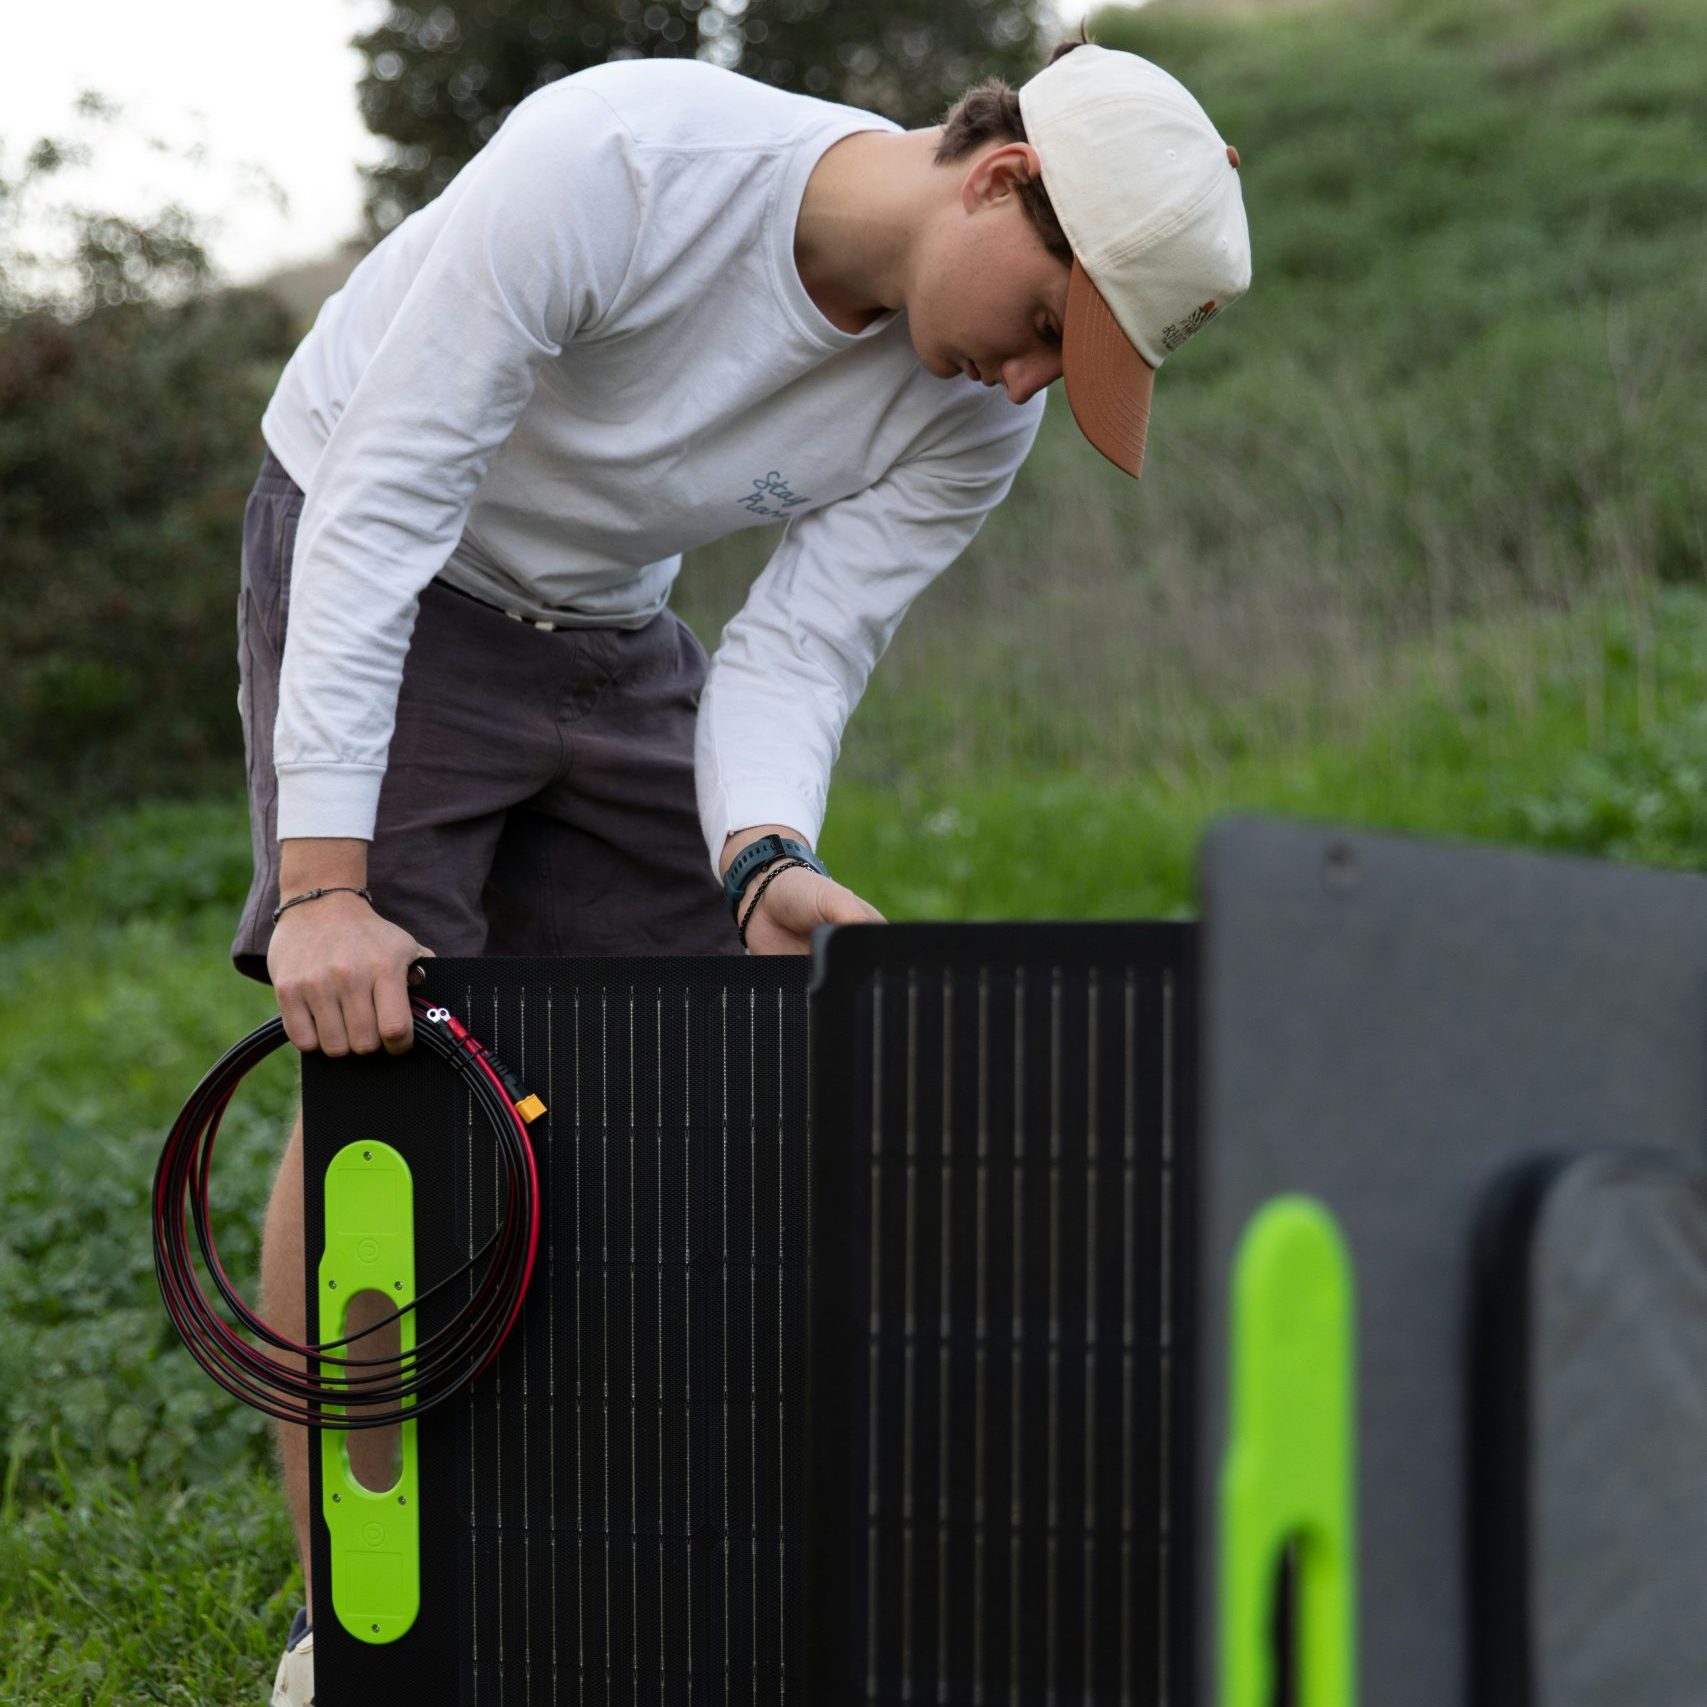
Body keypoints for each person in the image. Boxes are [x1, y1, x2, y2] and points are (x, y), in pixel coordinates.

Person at [243, 32, 1250, 1705]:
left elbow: (799, 646)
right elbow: (386, 494)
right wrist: (330, 885)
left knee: (693, 1052)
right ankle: (348, 1634)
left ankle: (601, 1554)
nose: (1020, 388)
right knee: (378, 1070)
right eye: (1043, 334)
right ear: (1002, 181)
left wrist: (764, 855)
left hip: (612, 618)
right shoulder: (624, 164)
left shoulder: (970, 413)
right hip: (385, 558)